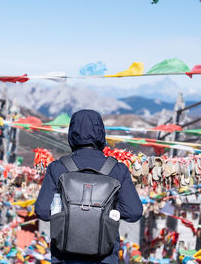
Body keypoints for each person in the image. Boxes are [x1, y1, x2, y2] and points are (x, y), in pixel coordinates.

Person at [35, 109, 143, 264]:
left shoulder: (57, 168)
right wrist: (105, 211)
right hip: (104, 258)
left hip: (64, 258)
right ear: (101, 133)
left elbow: (42, 211)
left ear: (71, 133)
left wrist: (68, 210)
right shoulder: (117, 169)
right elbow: (134, 212)